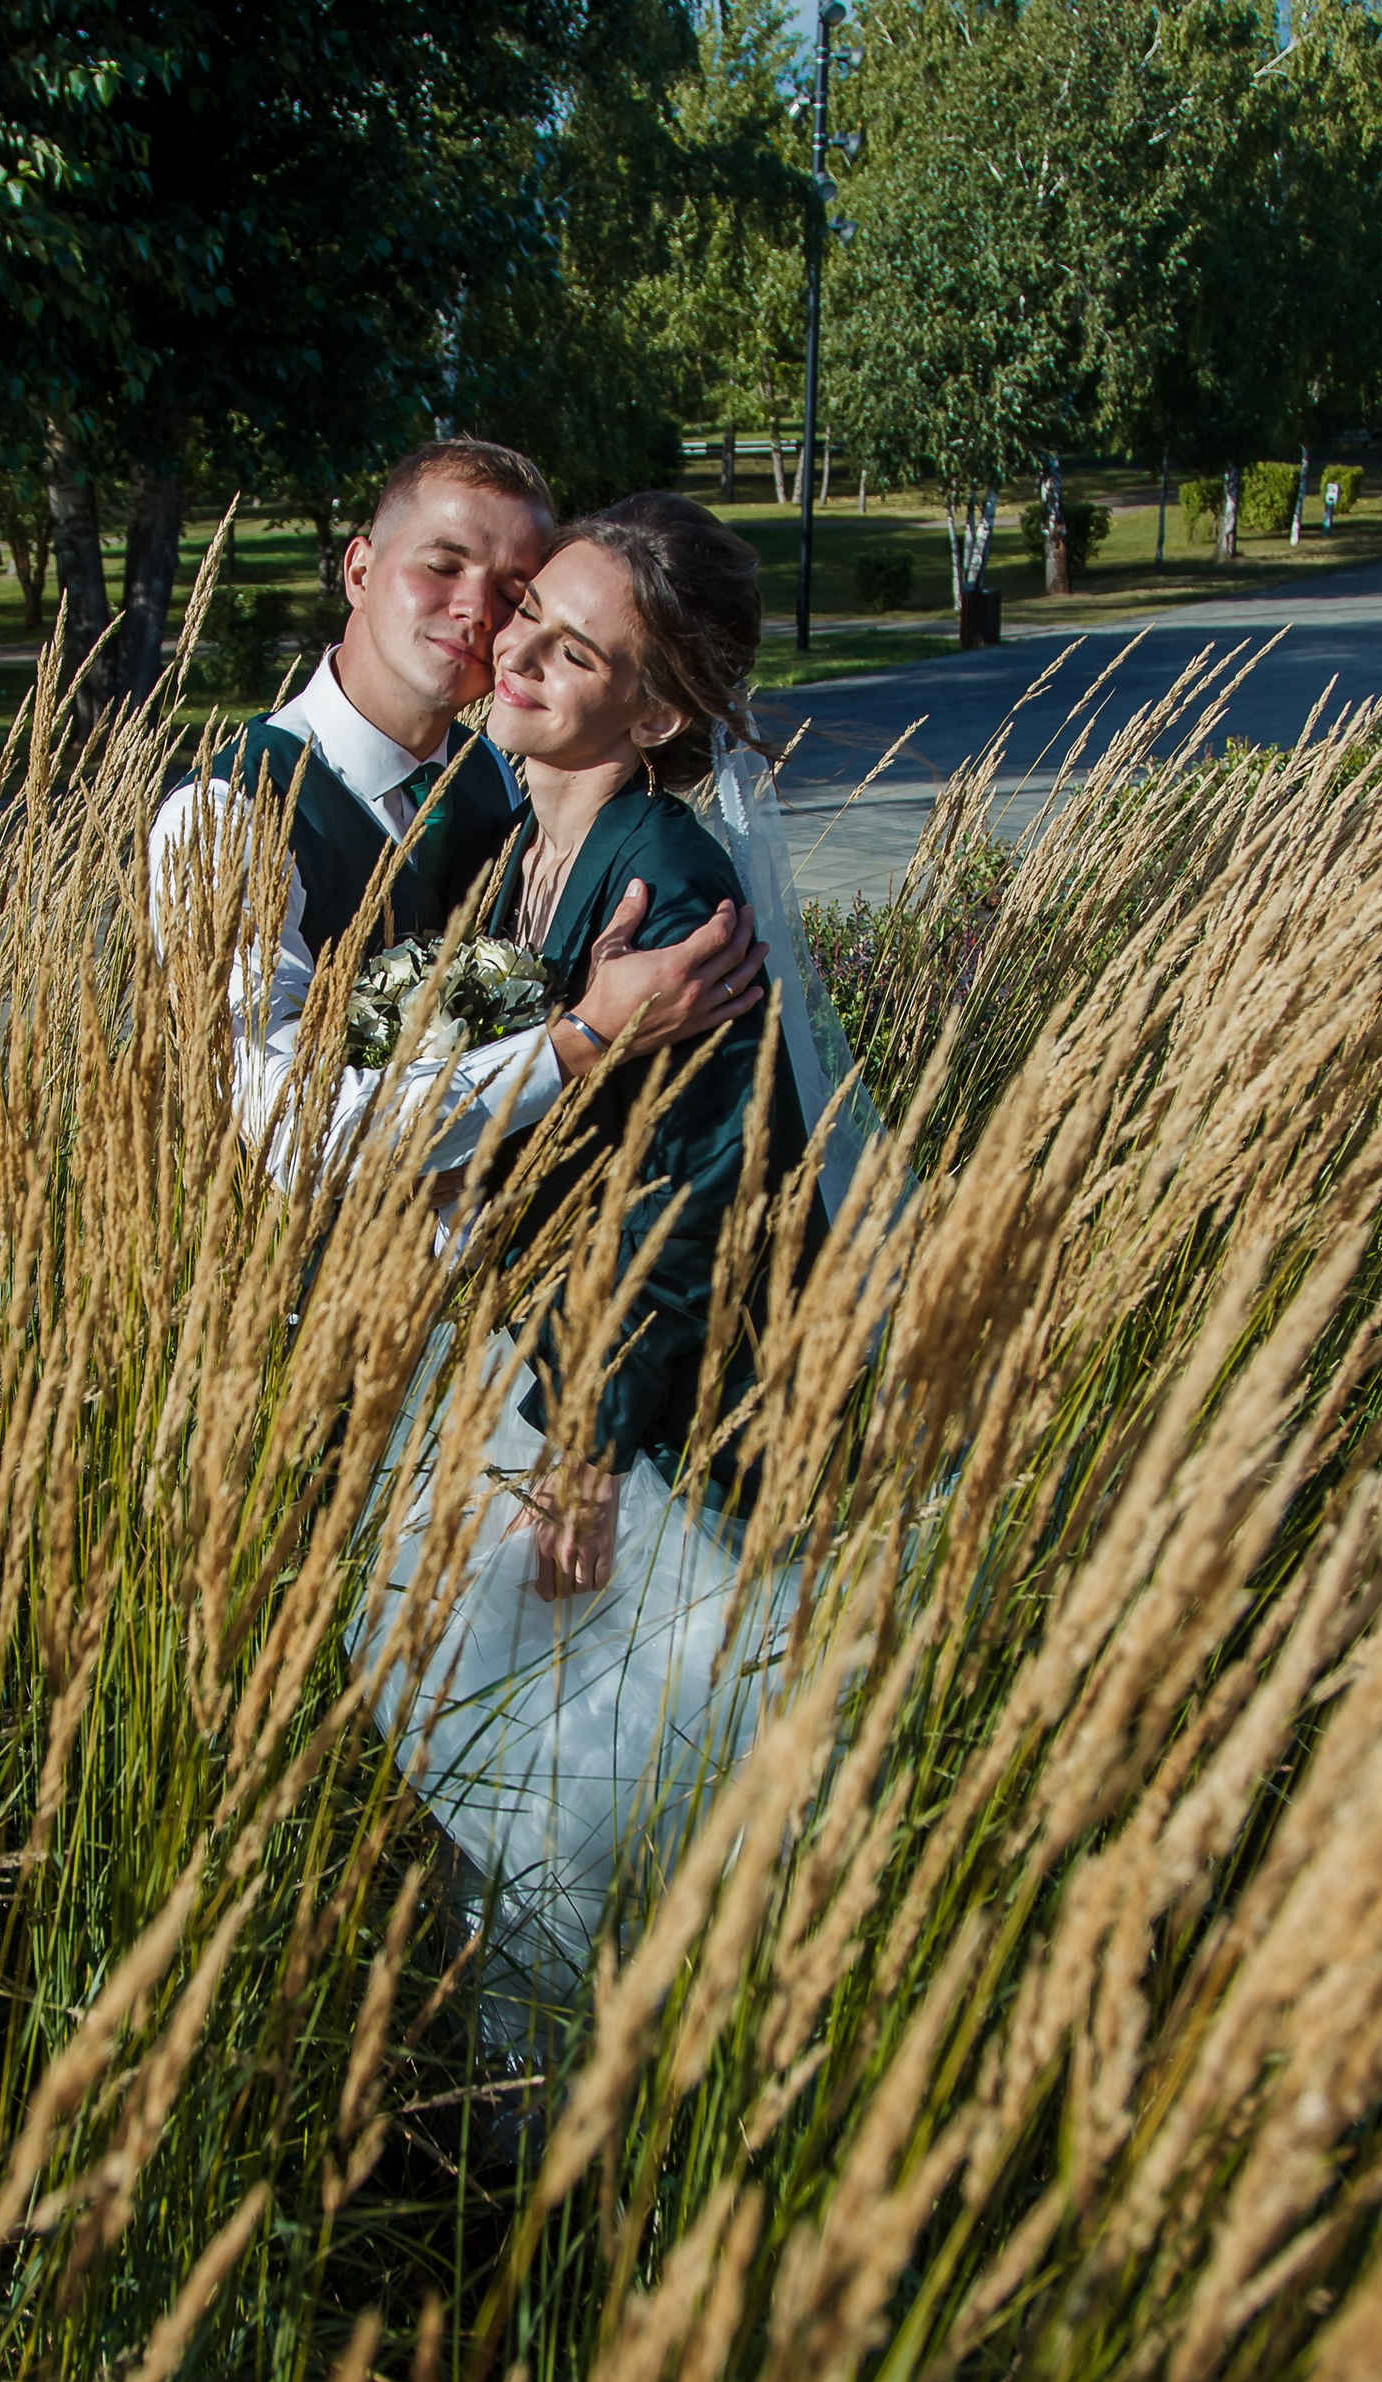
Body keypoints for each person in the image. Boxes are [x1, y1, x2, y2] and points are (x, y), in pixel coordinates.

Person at [354, 491, 883, 2044]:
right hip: (519, 1356)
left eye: (576, 654)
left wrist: (584, 1450)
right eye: (532, 620)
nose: (517, 654)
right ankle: (510, 2096)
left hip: (641, 1413)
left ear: (654, 709)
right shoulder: (519, 825)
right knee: (503, 1772)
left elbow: (697, 1197)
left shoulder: (674, 881)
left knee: (582, 1796)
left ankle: (582, 2129)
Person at [149, 439, 771, 1178]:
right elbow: (289, 1128)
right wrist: (581, 1037)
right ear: (359, 570)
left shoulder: (494, 783)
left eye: (513, 589)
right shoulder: (224, 819)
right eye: (442, 567)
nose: (479, 612)